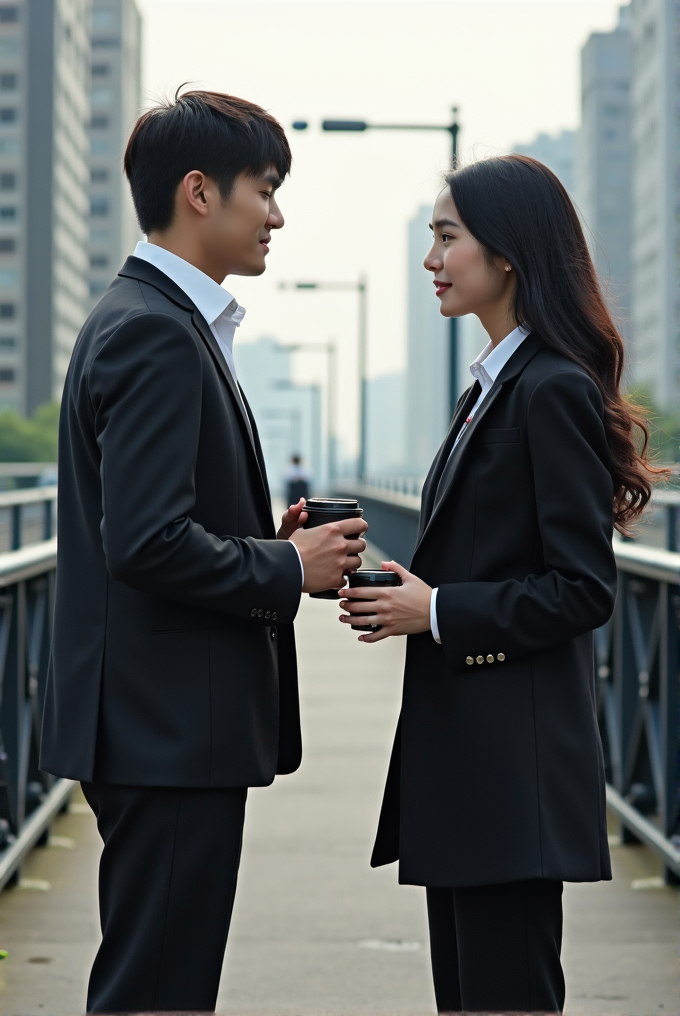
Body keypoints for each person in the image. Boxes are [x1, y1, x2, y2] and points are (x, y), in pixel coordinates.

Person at [39, 90, 367, 1014]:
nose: (277, 212)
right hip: (165, 728)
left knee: (156, 976)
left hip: (154, 721)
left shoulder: (148, 317)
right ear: (198, 193)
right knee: (160, 990)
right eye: (263, 188)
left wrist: (269, 543)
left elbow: (149, 522)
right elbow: (145, 540)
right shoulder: (155, 331)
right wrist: (282, 570)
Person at [339, 155, 660, 1014]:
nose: (431, 258)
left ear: (508, 254)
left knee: (504, 996)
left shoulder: (548, 387)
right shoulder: (493, 385)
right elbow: (502, 553)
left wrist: (437, 609)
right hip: (469, 763)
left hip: (508, 769)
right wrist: (415, 588)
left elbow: (583, 588)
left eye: (447, 238)